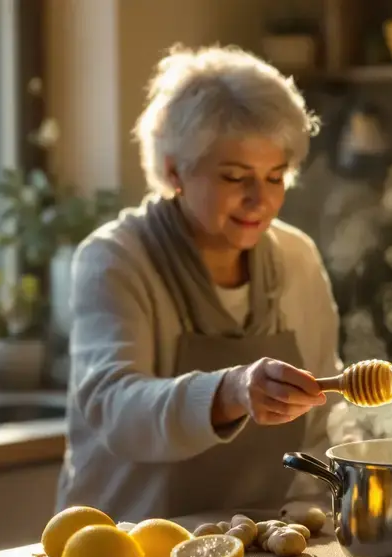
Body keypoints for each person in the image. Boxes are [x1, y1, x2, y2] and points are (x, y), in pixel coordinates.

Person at [57, 45, 348, 522]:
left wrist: (314, 507)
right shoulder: (116, 259)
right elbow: (115, 408)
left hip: (258, 540)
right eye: (235, 177)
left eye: (275, 177)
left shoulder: (296, 258)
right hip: (126, 542)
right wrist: (231, 391)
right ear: (174, 171)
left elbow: (323, 416)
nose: (259, 199)